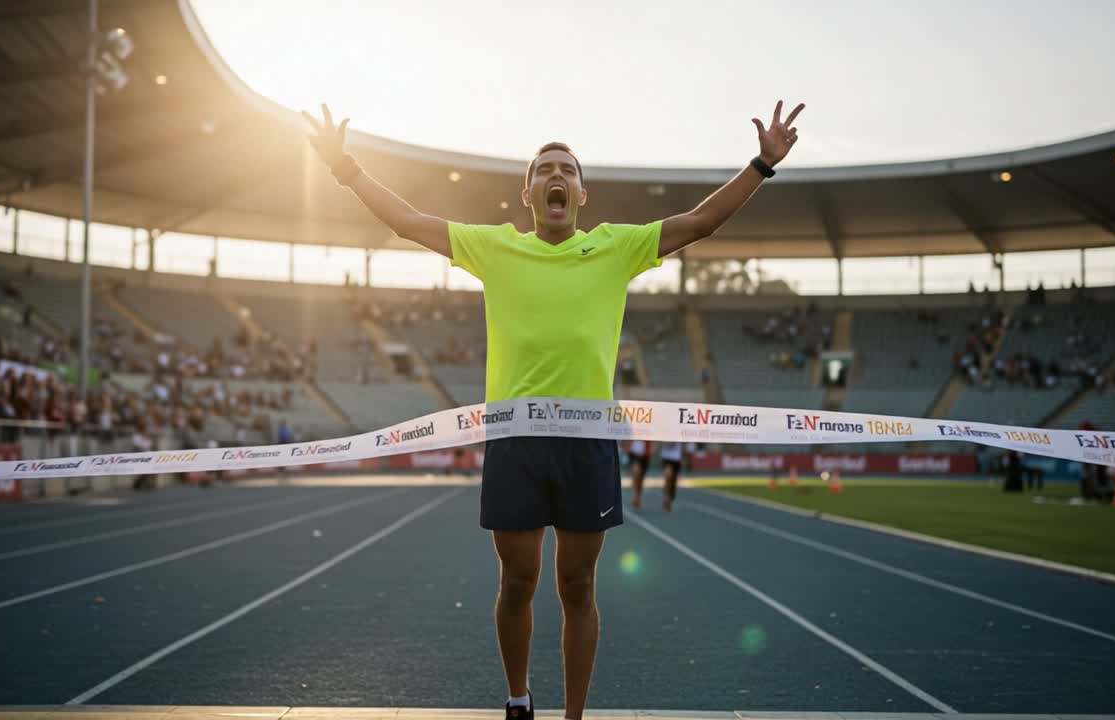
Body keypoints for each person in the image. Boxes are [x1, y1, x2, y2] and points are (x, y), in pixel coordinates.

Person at [304, 99, 803, 720]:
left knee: (578, 586)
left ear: (582, 194)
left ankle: (573, 715)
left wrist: (762, 164)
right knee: (517, 581)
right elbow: (406, 221)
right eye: (545, 169)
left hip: (588, 442)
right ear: (528, 193)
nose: (556, 176)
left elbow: (700, 222)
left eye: (567, 168)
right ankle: (518, 699)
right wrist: (344, 168)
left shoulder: (616, 249)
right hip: (514, 441)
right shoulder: (494, 249)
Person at [658, 442, 691, 512]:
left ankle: (670, 495)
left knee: (673, 481)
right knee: (668, 476)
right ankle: (666, 497)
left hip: (676, 458)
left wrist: (684, 458)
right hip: (665, 457)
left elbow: (684, 444)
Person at [625, 440, 651, 510]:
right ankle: (635, 496)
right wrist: (627, 448)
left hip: (644, 455)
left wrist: (650, 450)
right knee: (636, 472)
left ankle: (638, 496)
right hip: (633, 454)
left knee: (641, 479)